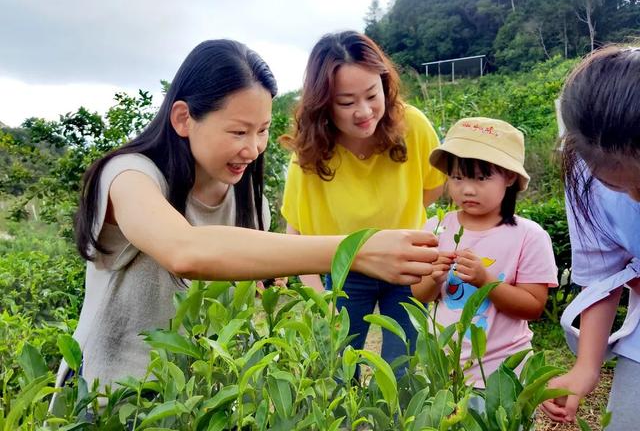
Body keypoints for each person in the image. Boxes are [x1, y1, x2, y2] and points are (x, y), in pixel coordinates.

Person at [54, 39, 442, 391]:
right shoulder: (129, 177)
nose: (254, 148)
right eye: (239, 132)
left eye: (262, 131)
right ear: (183, 118)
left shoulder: (247, 202)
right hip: (115, 397)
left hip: (201, 399)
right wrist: (358, 251)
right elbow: (185, 251)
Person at [280, 31, 445, 372]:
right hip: (345, 273)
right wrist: (323, 299)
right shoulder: (310, 155)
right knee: (337, 369)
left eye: (373, 94)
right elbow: (296, 232)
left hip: (408, 266)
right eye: (346, 102)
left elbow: (430, 189)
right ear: (323, 103)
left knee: (403, 367)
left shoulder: (412, 126)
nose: (364, 111)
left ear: (385, 84)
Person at [411, 117, 558, 391]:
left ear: (509, 177)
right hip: (443, 370)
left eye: (481, 177)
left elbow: (533, 306)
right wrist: (434, 278)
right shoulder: (436, 228)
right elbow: (420, 294)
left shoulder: (529, 236)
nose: (467, 188)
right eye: (457, 177)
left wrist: (485, 281)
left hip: (501, 374)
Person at [541, 46, 640, 430]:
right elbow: (604, 272)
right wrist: (586, 366)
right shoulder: (584, 171)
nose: (633, 198)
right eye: (617, 185)